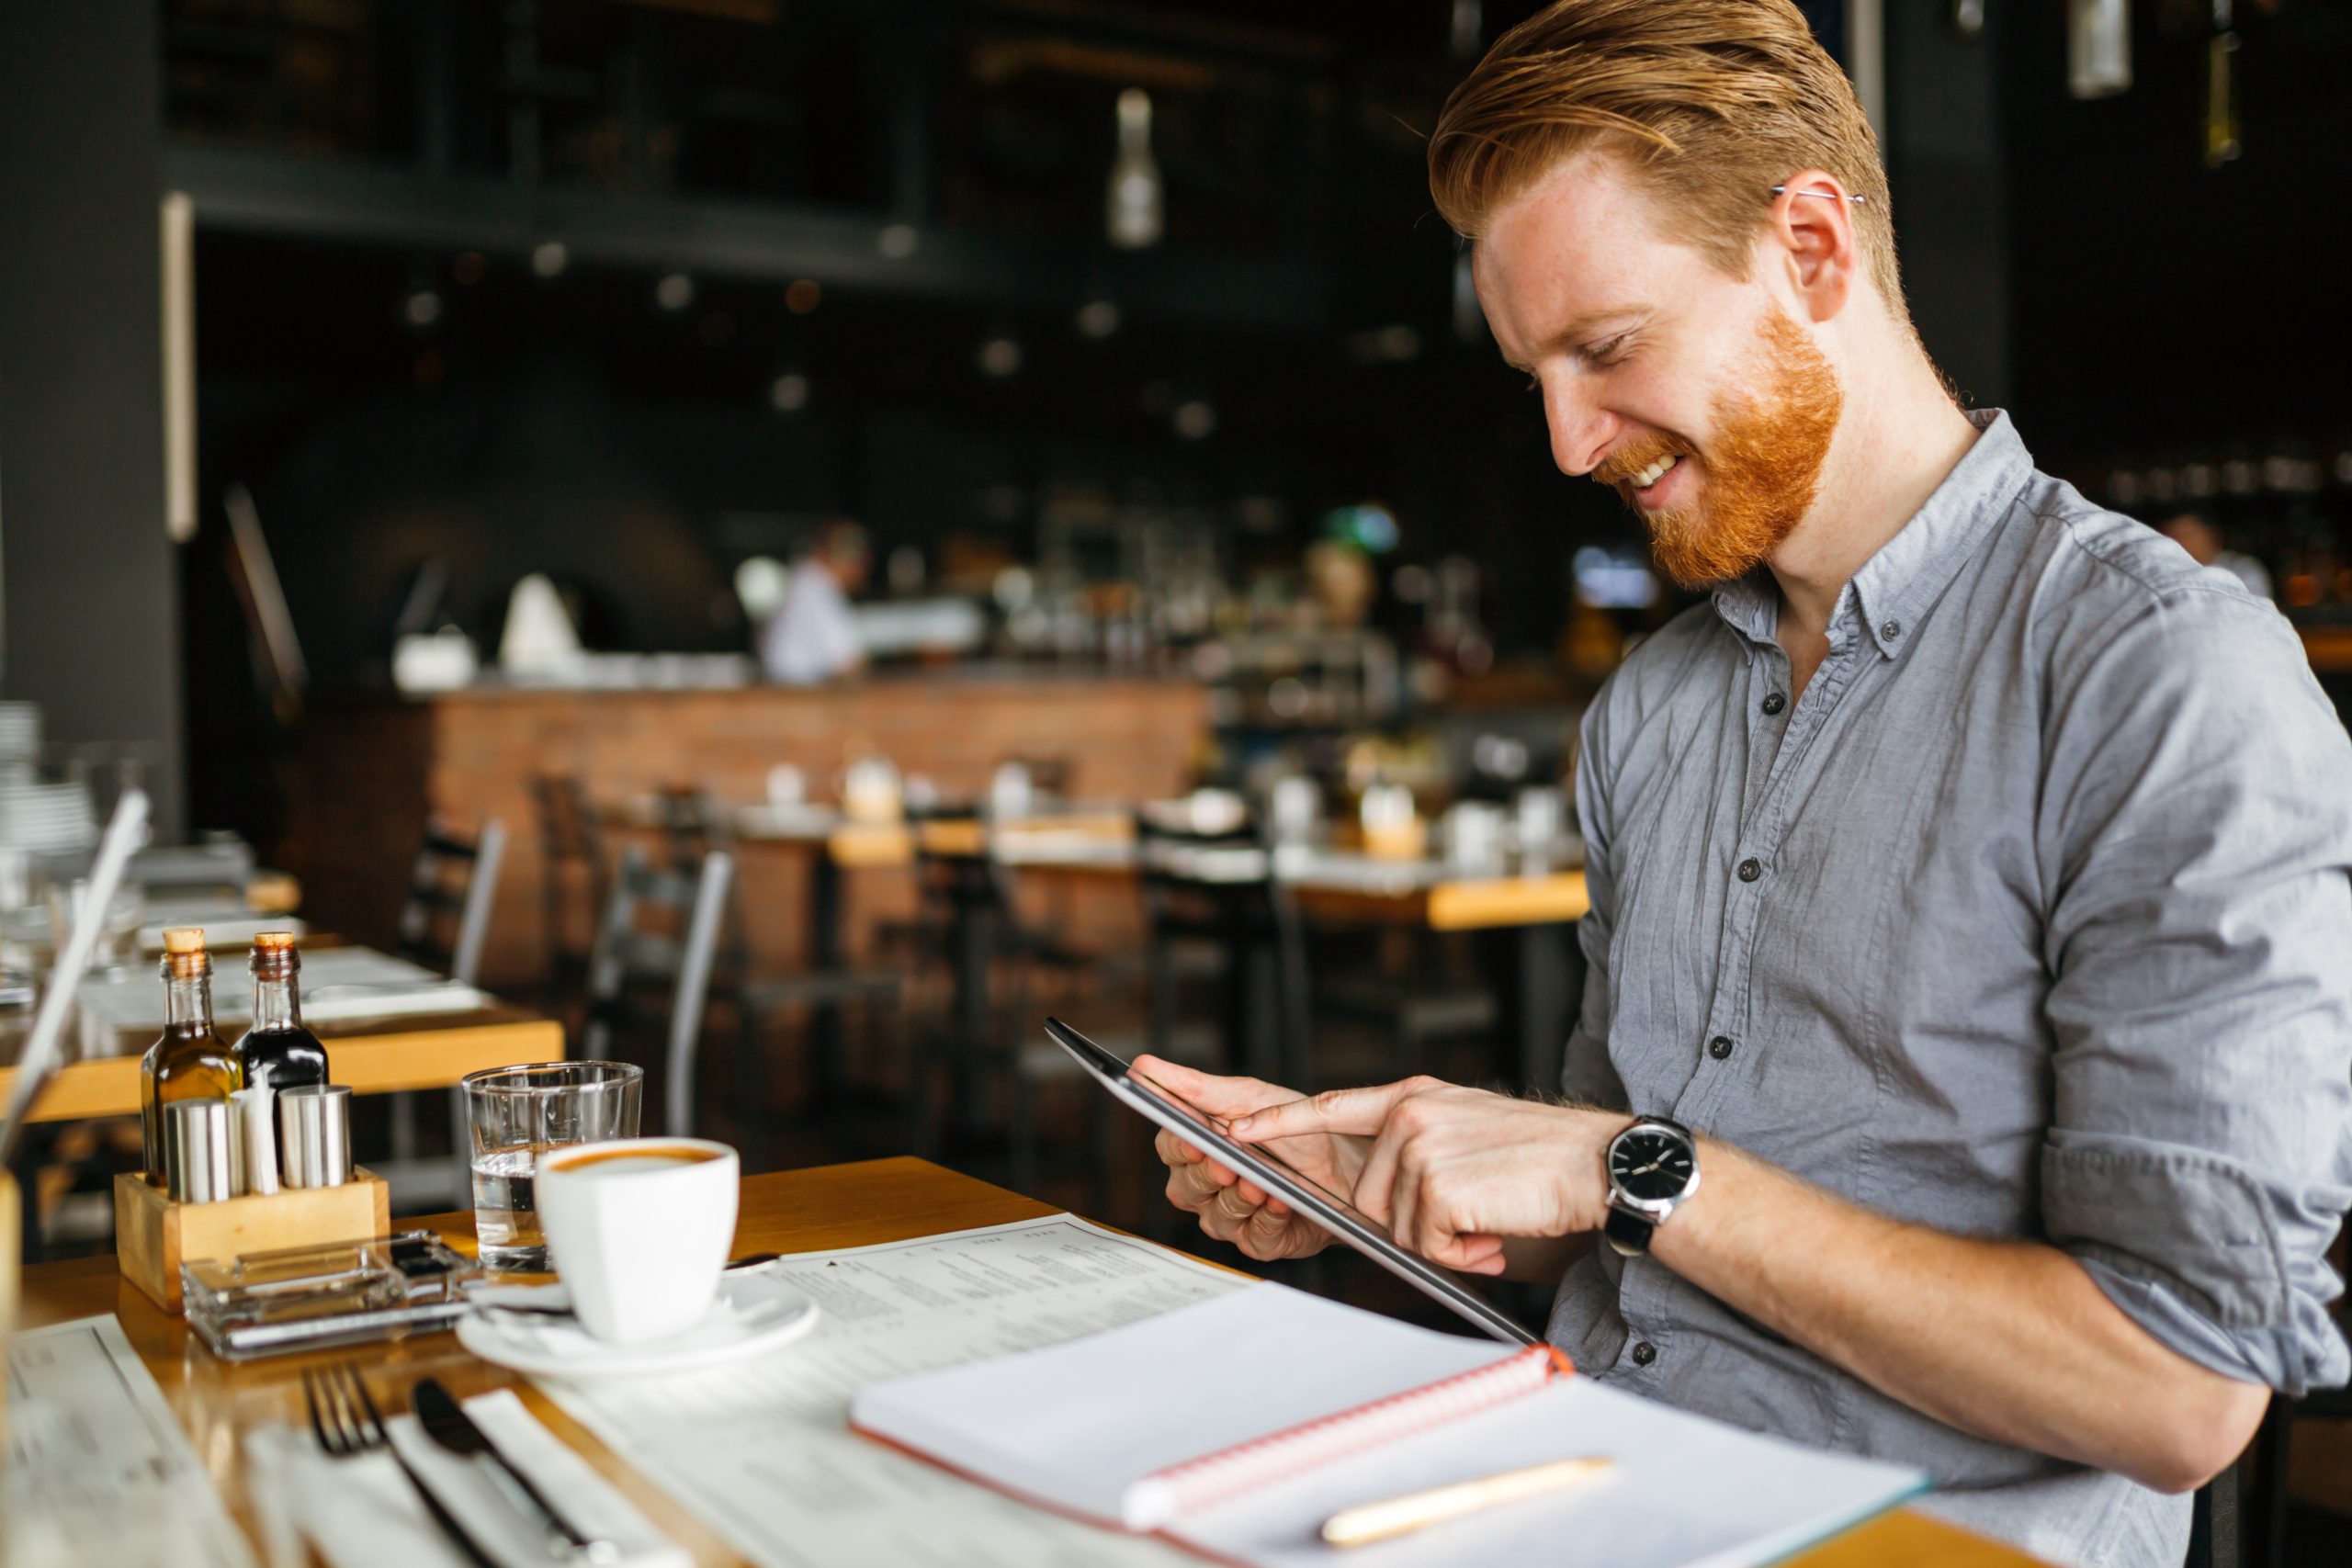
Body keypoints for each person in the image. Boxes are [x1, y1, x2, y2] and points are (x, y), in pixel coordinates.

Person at [1144, 5, 2352, 1565]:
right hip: (1565, 1488)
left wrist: (1624, 1166)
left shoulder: (2164, 679)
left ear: (1812, 246)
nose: (1571, 442)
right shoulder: (1651, 709)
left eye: (1610, 347)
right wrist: (1382, 1169)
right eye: (1536, 376)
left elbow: (2181, 1388)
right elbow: (1610, 1213)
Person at [758, 522, 869, 685]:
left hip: (788, 691)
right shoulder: (815, 587)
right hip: (794, 696)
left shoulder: (804, 579)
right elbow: (849, 663)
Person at [2156, 507, 2275, 602]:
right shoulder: (2162, 575)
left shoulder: (2243, 569)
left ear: (2209, 535)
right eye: (2172, 537)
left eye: (2186, 535)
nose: (2180, 542)